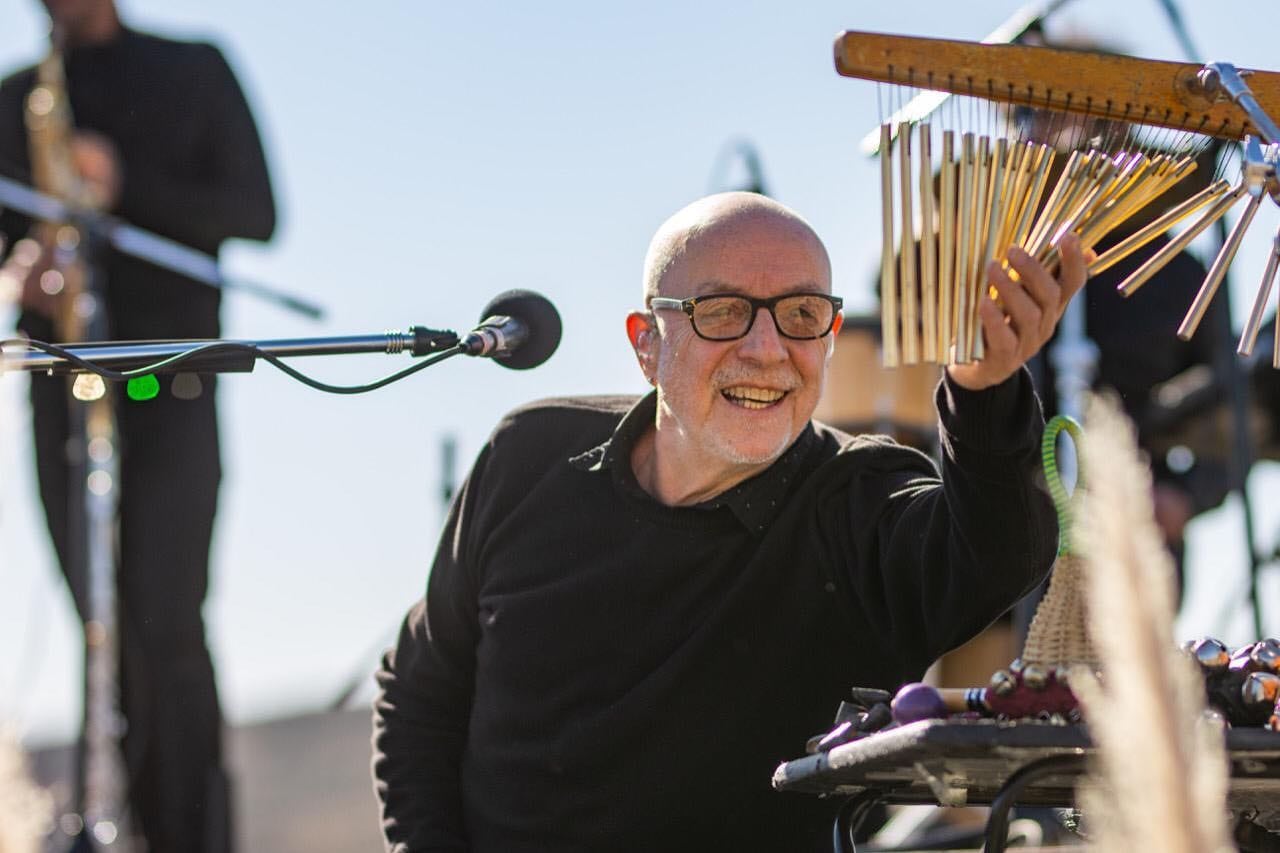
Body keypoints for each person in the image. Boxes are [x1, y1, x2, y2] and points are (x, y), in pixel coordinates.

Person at [372, 192, 1088, 852]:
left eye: (801, 314)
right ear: (646, 343)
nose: (767, 348)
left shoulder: (859, 501)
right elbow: (420, 688)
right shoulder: (528, 454)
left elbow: (997, 551)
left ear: (831, 336)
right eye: (721, 312)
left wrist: (982, 389)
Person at [0, 2, 275, 851]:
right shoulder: (14, 98)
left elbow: (255, 212)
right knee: (97, 622)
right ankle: (108, 822)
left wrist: (122, 187)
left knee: (165, 616)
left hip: (172, 380)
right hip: (60, 381)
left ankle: (189, 834)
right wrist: (24, 269)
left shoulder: (194, 67)